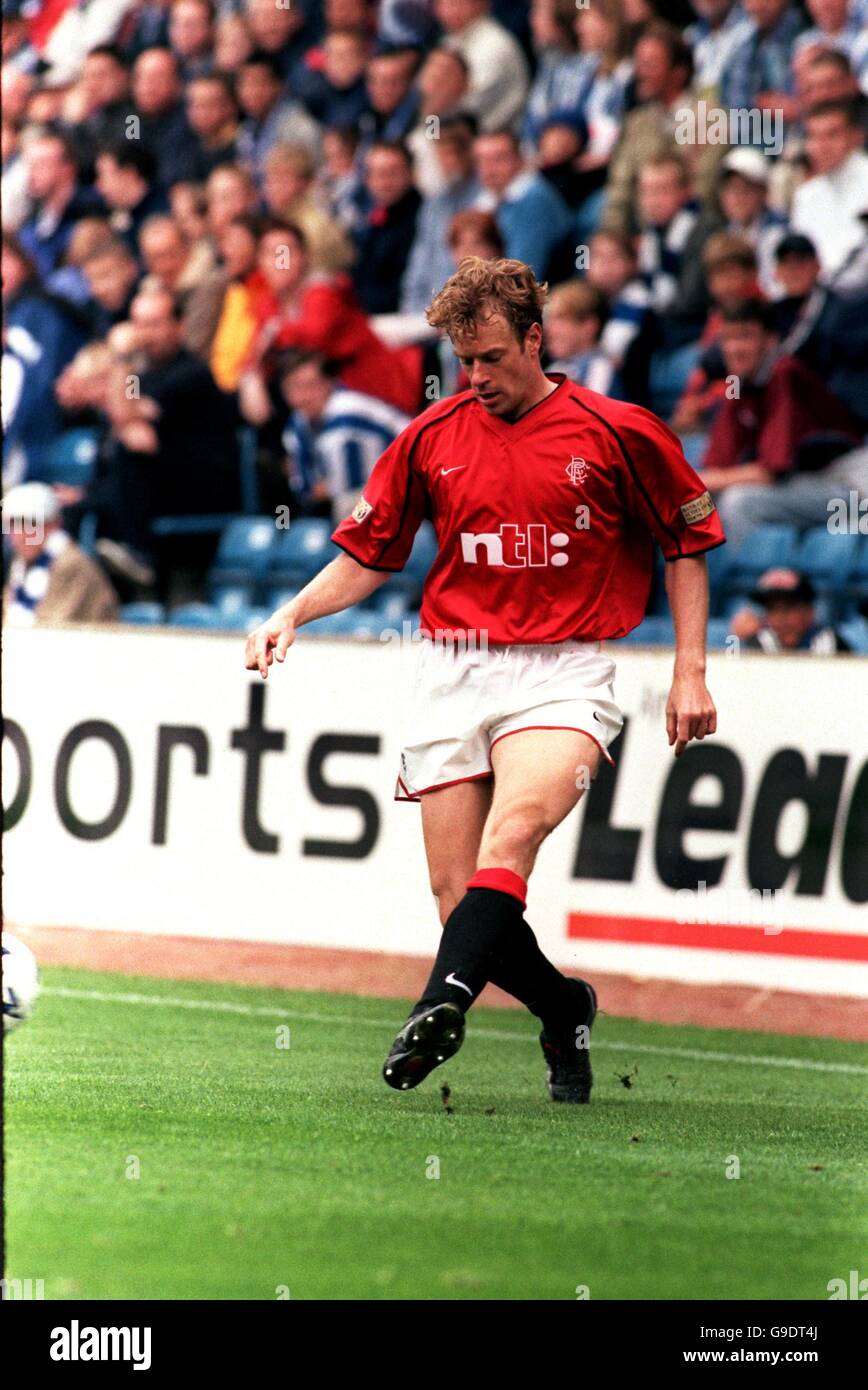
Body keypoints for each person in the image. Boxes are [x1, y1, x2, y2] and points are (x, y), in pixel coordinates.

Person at [245, 256, 723, 1103]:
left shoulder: (618, 430)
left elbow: (687, 541)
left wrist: (691, 671)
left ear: (535, 339)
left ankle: (441, 1004)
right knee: (457, 901)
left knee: (514, 842)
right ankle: (562, 1007)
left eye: (493, 357)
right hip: (452, 669)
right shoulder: (432, 435)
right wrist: (292, 614)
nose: (476, 377)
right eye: (464, 361)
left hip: (563, 672)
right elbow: (367, 557)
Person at [278, 351, 411, 522]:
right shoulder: (297, 423)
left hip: (408, 482)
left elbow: (344, 487)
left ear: (328, 383)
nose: (304, 396)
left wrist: (324, 487)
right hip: (371, 493)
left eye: (311, 385)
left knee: (351, 507)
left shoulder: (345, 412)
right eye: (294, 387)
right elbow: (306, 488)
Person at [2, 481, 119, 626]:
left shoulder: (69, 563)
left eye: (29, 524)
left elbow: (54, 628)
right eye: (13, 526)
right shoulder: (21, 563)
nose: (19, 535)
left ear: (53, 524)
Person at [741, 568, 854, 653]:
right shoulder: (762, 641)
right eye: (772, 610)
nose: (779, 619)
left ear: (810, 612)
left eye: (788, 609)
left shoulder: (828, 643)